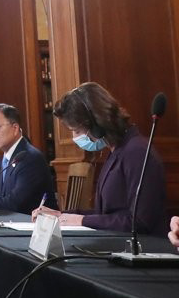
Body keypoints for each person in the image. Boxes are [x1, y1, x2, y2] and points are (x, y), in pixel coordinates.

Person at [29, 83, 167, 234]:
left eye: (77, 130)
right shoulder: (117, 150)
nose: (75, 137)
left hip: (143, 245)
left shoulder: (137, 152)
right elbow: (105, 215)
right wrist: (61, 215)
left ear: (97, 126)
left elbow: (140, 222)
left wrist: (82, 220)